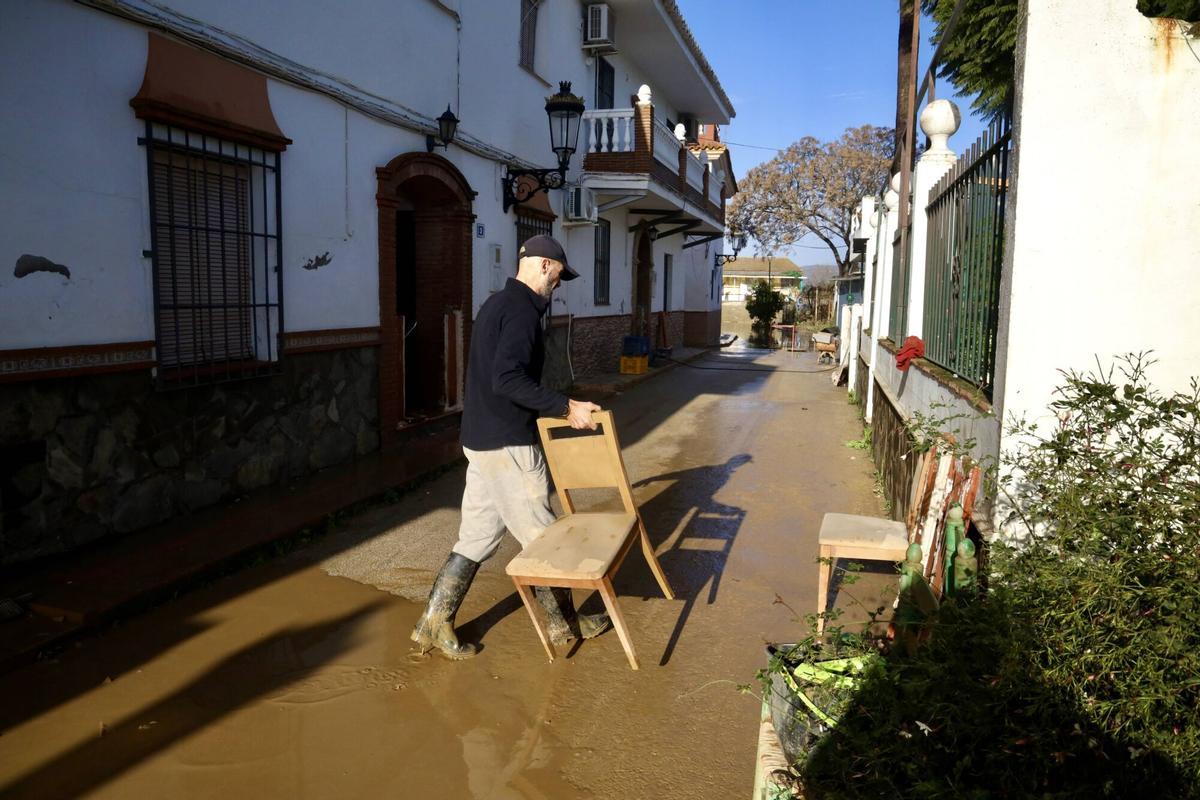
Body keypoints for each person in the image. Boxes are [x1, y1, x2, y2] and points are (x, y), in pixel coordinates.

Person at [411, 234, 611, 659]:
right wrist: (565, 406)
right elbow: (507, 379)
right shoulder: (521, 312)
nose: (559, 284)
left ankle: (433, 621)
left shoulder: (496, 304)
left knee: (478, 536)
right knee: (543, 537)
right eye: (558, 275)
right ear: (543, 266)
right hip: (507, 445)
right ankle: (565, 626)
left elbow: (492, 376)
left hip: (481, 441)